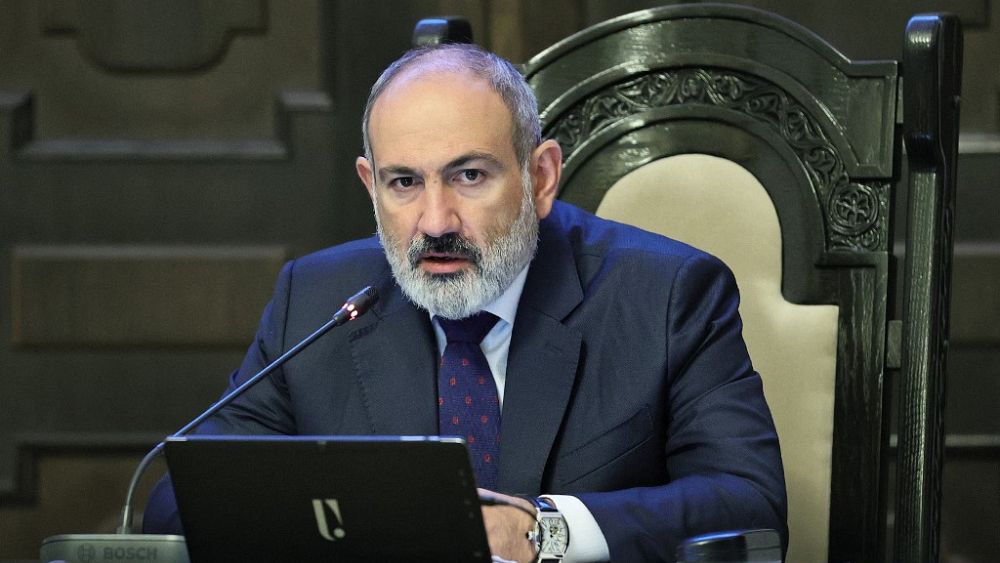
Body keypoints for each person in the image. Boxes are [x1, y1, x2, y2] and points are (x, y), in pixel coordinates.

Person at [144, 43, 787, 562]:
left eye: (469, 175)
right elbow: (179, 502)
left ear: (540, 176)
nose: (434, 221)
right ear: (370, 185)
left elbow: (749, 505)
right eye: (404, 182)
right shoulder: (315, 298)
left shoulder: (666, 295)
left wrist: (542, 531)